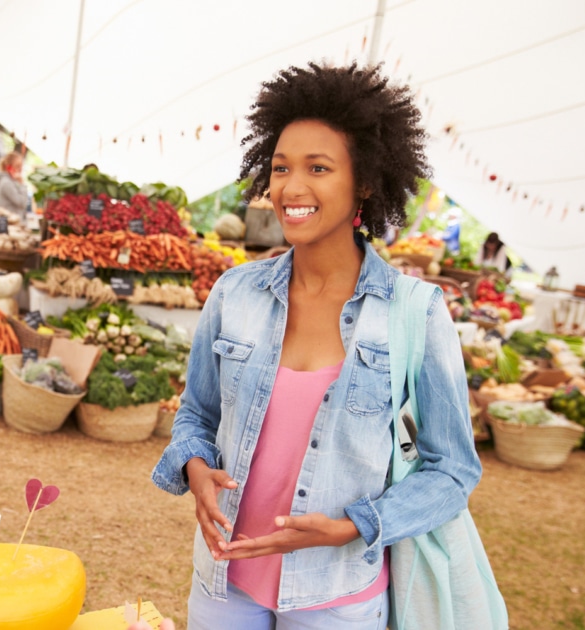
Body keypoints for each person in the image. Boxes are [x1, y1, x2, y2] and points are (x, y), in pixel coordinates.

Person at [152, 62, 483, 629]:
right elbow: (195, 416)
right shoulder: (234, 293)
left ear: (366, 181)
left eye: (319, 168)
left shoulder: (415, 312)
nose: (291, 188)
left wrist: (356, 524)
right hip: (223, 581)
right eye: (281, 168)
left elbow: (453, 471)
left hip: (337, 595)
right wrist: (195, 465)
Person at [0, 151, 30, 218]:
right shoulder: (6, 183)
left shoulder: (10, 182)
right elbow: (22, 203)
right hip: (10, 222)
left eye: (21, 166)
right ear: (9, 167)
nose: (20, 169)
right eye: (18, 166)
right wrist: (22, 184)